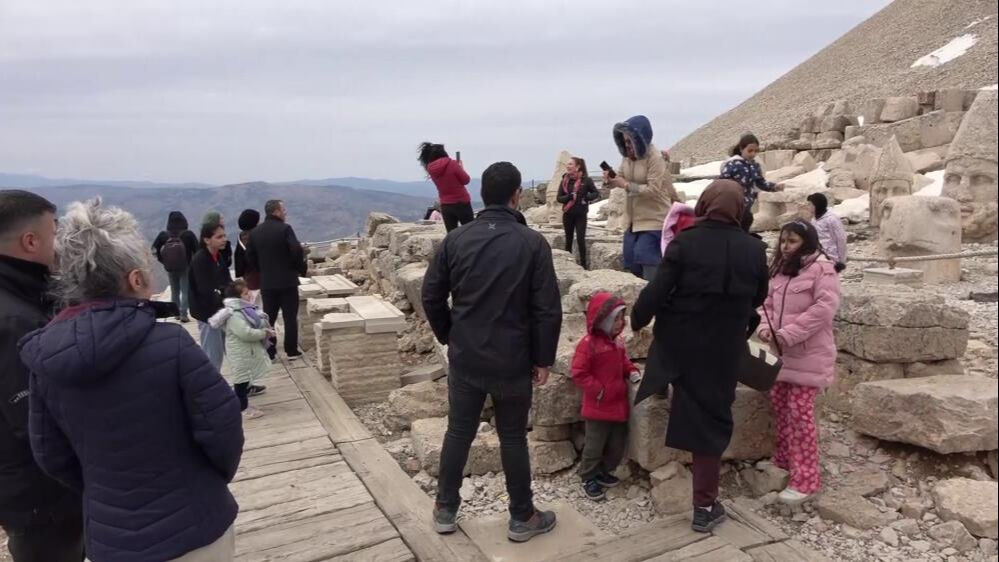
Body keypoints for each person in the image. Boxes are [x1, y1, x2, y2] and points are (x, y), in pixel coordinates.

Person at [17, 198, 243, 562]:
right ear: (136, 279)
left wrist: (104, 486)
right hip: (197, 526)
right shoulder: (172, 345)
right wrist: (203, 482)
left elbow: (51, 455)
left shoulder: (45, 361)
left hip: (111, 538)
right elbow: (224, 428)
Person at [422, 161, 562, 543]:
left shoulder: (456, 240)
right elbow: (547, 308)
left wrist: (450, 335)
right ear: (517, 196)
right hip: (514, 360)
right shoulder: (533, 243)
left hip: (467, 357)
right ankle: (522, 517)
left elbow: (431, 295)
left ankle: (445, 509)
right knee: (513, 437)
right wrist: (543, 359)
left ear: (483, 195)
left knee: (458, 432)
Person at [631, 180, 769, 533]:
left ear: (705, 205)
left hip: (680, 344)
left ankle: (662, 397)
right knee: (713, 419)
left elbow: (657, 290)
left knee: (675, 384)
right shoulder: (753, 250)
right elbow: (757, 297)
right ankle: (704, 505)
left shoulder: (685, 241)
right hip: (722, 349)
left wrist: (638, 318)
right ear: (738, 209)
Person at [0, 191, 83, 562]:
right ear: (30, 241)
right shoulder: (16, 322)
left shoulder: (21, 297)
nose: (61, 241)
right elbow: (37, 421)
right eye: (55, 231)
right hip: (42, 498)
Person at [758, 220, 840, 505]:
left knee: (800, 413)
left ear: (806, 241)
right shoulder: (780, 269)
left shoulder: (822, 269)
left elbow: (824, 309)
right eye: (783, 241)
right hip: (781, 354)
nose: (785, 246)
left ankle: (806, 478)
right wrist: (764, 329)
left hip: (808, 354)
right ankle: (784, 460)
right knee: (780, 403)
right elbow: (765, 304)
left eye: (791, 241)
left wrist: (789, 335)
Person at [570, 292, 641, 501]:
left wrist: (632, 371)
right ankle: (588, 476)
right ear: (603, 321)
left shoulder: (617, 343)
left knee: (616, 444)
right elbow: (579, 373)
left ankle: (604, 471)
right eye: (615, 319)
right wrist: (599, 390)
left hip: (617, 406)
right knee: (594, 444)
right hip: (598, 407)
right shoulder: (588, 344)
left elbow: (624, 362)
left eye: (622, 318)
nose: (621, 323)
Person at [604, 115, 679, 281]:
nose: (627, 145)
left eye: (630, 141)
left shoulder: (655, 158)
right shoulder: (627, 158)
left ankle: (653, 301)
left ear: (640, 139)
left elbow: (653, 189)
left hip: (653, 220)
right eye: (624, 142)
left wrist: (626, 185)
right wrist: (610, 180)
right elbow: (621, 176)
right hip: (633, 222)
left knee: (648, 264)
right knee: (631, 263)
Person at [246, 200, 308, 360]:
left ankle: (270, 351)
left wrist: (262, 270)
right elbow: (295, 249)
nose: (285, 213)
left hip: (267, 282)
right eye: (283, 210)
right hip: (287, 280)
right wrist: (298, 268)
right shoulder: (285, 229)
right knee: (290, 317)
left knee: (269, 318)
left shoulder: (255, 232)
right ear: (276, 212)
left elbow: (250, 257)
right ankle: (291, 350)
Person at [212, 280, 274, 419]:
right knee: (241, 381)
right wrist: (264, 333)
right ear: (237, 298)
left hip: (245, 352)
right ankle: (243, 409)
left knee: (244, 380)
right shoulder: (234, 314)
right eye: (246, 294)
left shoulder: (245, 310)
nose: (249, 295)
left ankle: (242, 405)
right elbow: (245, 333)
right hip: (240, 353)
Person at [189, 221, 233, 371]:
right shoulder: (200, 260)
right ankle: (211, 390)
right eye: (219, 237)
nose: (224, 239)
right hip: (208, 314)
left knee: (232, 349)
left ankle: (245, 385)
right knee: (213, 354)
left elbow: (227, 280)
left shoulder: (218, 256)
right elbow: (205, 290)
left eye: (224, 236)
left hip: (221, 310)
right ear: (207, 240)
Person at [719, 133, 785, 226]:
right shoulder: (732, 164)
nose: (753, 154)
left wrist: (774, 187)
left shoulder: (755, 165)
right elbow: (722, 183)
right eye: (750, 151)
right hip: (732, 206)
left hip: (746, 206)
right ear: (742, 149)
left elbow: (760, 182)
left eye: (756, 151)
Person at [151, 211, 198, 322]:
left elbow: (153, 250)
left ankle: (176, 313)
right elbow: (197, 250)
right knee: (185, 290)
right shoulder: (188, 234)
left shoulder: (164, 235)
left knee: (174, 290)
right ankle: (184, 314)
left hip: (170, 268)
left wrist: (163, 260)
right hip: (185, 267)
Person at [419, 142, 473, 232]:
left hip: (445, 205)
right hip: (462, 202)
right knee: (470, 232)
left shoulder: (430, 169)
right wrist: (461, 168)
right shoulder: (452, 164)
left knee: (451, 234)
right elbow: (466, 180)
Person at [556, 156, 600, 269]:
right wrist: (569, 197)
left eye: (570, 164)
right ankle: (568, 264)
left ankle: (584, 265)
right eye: (567, 164)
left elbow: (596, 193)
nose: (568, 166)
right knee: (568, 239)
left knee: (580, 239)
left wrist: (587, 197)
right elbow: (559, 198)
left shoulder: (586, 180)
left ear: (578, 166)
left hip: (581, 215)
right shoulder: (565, 180)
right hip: (568, 215)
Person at [806, 193, 847, 272]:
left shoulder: (832, 219)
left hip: (831, 256)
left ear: (816, 205)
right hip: (817, 255)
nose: (808, 207)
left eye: (810, 204)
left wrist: (841, 260)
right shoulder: (814, 219)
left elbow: (841, 239)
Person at [234, 208, 262, 301]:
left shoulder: (242, 236)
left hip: (248, 277)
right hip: (255, 277)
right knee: (256, 302)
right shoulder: (252, 238)